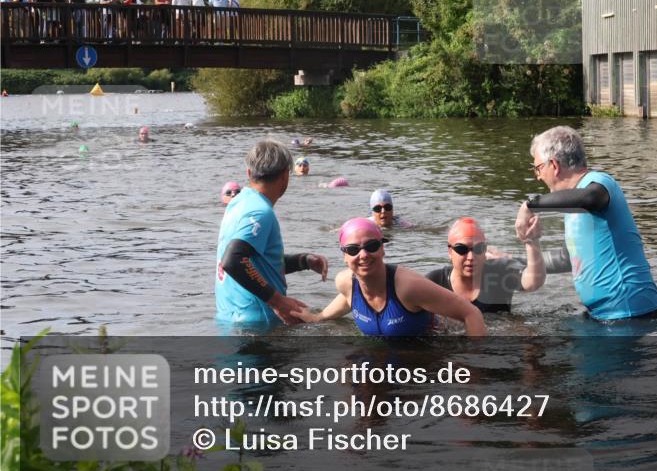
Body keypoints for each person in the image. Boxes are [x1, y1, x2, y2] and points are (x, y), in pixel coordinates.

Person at [518, 125, 657, 321]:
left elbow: (592, 198)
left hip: (629, 313)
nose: (538, 176)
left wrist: (531, 205)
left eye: (538, 168)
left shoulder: (598, 183)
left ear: (554, 165)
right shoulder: (573, 203)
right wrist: (520, 260)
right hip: (605, 315)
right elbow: (568, 258)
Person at [291, 218, 485, 336]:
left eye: (372, 246)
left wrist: (473, 369)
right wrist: (318, 317)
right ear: (344, 256)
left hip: (430, 350)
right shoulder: (345, 282)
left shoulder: (407, 287)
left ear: (383, 249)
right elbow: (348, 299)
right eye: (353, 249)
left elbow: (471, 313)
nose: (364, 255)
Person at [216, 140, 329, 326]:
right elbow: (234, 260)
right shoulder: (260, 212)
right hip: (257, 325)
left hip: (230, 319)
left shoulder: (237, 203)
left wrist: (303, 261)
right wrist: (278, 301)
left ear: (249, 173)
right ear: (285, 175)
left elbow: (255, 261)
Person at [425, 217, 547, 313]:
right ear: (450, 252)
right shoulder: (434, 282)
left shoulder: (500, 272)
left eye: (478, 248)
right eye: (462, 249)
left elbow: (533, 282)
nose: (471, 257)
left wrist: (532, 241)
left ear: (485, 250)